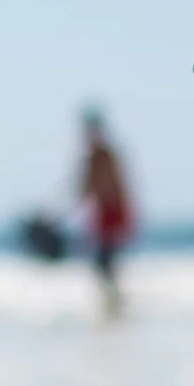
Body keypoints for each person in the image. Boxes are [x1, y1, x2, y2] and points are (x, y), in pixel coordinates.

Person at [77, 109, 134, 311]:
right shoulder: (100, 156)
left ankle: (114, 305)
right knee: (105, 264)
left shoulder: (101, 156)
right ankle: (113, 303)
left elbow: (89, 189)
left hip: (111, 214)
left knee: (104, 263)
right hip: (106, 214)